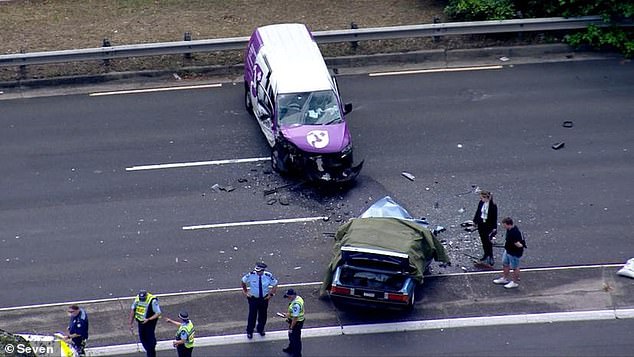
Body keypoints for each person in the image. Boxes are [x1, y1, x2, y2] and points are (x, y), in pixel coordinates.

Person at [241, 262, 278, 339]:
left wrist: (271, 294)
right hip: (253, 298)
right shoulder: (251, 275)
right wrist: (245, 291)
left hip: (264, 299)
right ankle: (250, 331)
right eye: (257, 271)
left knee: (263, 315)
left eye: (259, 271)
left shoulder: (268, 276)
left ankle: (260, 329)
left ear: (263, 270)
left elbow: (275, 284)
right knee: (252, 315)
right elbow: (243, 281)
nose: (257, 272)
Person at [493, 217, 525, 289]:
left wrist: (516, 244)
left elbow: (519, 244)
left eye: (504, 225)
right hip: (508, 250)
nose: (503, 227)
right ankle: (504, 278)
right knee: (505, 264)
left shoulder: (515, 233)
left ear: (508, 224)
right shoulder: (509, 229)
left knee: (515, 267)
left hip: (514, 253)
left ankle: (514, 282)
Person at [129, 290, 162, 357]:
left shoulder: (152, 301)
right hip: (140, 321)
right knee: (142, 338)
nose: (142, 300)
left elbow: (158, 313)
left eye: (143, 299)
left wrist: (148, 319)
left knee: (150, 338)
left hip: (149, 322)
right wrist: (130, 323)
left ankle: (151, 351)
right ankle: (150, 350)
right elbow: (133, 309)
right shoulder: (137, 298)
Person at [473, 190, 498, 266]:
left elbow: (494, 217)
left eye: (482, 198)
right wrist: (475, 221)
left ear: (486, 198)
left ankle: (490, 256)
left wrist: (494, 227)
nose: (481, 199)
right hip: (481, 224)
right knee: (483, 241)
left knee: (488, 241)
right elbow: (478, 212)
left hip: (488, 225)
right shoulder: (481, 203)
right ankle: (485, 254)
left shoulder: (493, 206)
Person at [282, 289, 304, 357]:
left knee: (296, 339)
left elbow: (295, 318)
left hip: (296, 323)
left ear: (292, 296)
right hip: (295, 321)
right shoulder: (298, 298)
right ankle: (291, 348)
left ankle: (297, 354)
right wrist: (288, 315)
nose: (287, 298)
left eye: (288, 297)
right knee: (291, 337)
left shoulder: (296, 305)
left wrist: (291, 327)